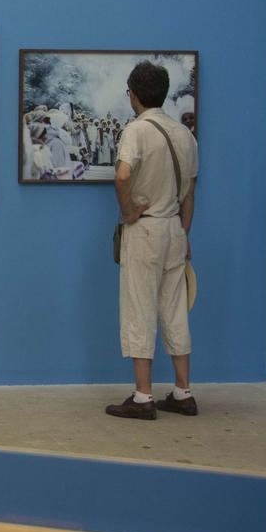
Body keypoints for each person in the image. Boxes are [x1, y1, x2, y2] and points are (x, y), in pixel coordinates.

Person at [106, 61, 199, 422]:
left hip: (145, 230)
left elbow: (123, 174)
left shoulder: (136, 130)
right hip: (175, 228)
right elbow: (190, 194)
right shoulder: (184, 134)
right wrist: (184, 233)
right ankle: (182, 391)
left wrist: (128, 210)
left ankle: (143, 396)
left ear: (135, 94)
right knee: (175, 309)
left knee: (139, 308)